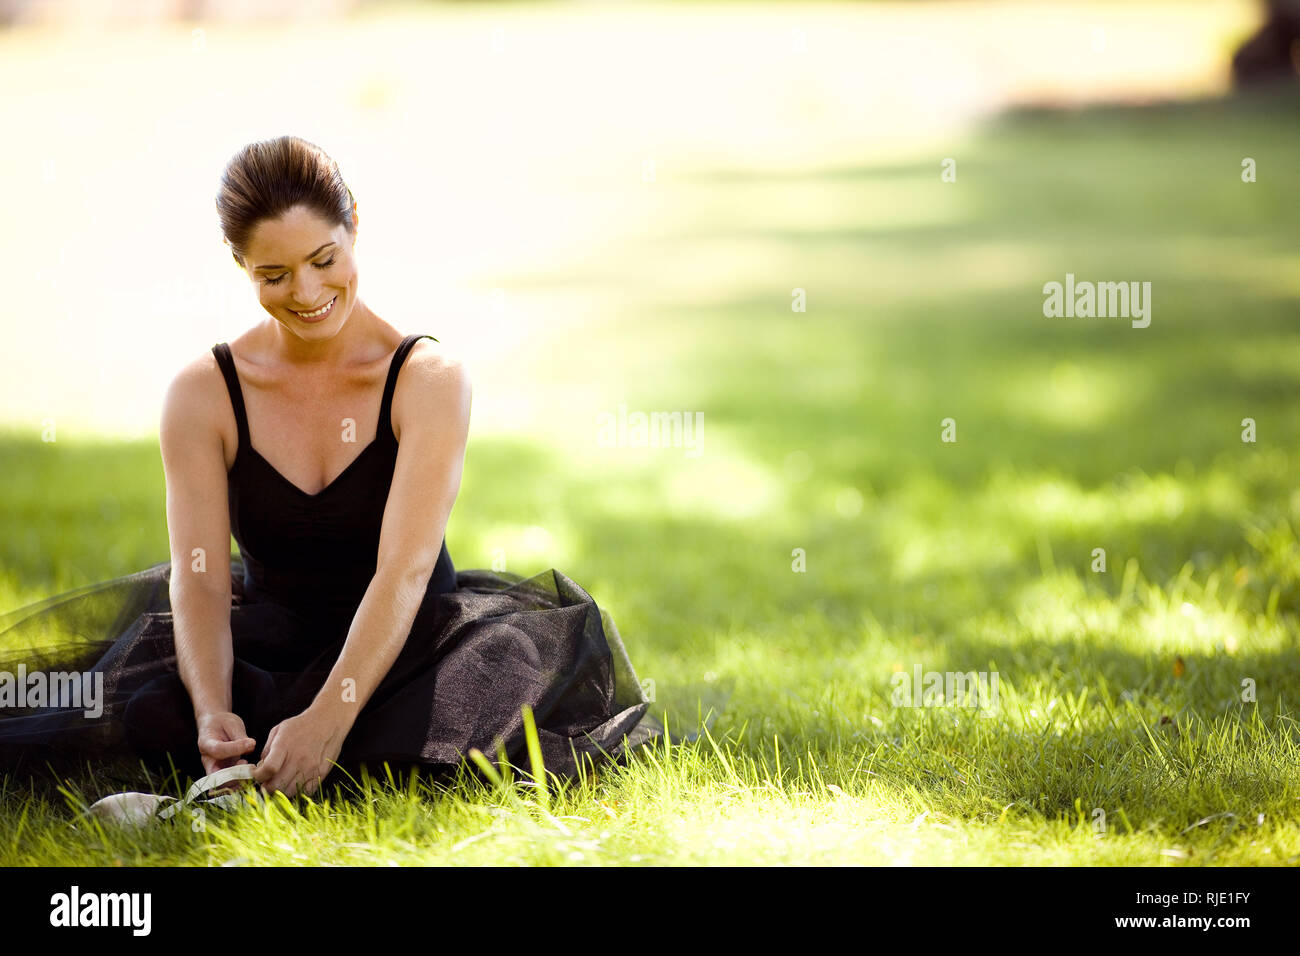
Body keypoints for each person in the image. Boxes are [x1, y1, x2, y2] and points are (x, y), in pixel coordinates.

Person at [0, 134, 660, 801]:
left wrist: (329, 717)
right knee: (139, 721)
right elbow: (198, 579)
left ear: (355, 227)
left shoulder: (427, 379)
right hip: (271, 641)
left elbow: (402, 571)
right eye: (274, 275)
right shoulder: (205, 392)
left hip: (408, 645)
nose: (308, 292)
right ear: (242, 267)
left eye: (323, 259)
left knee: (418, 751)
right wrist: (212, 710)